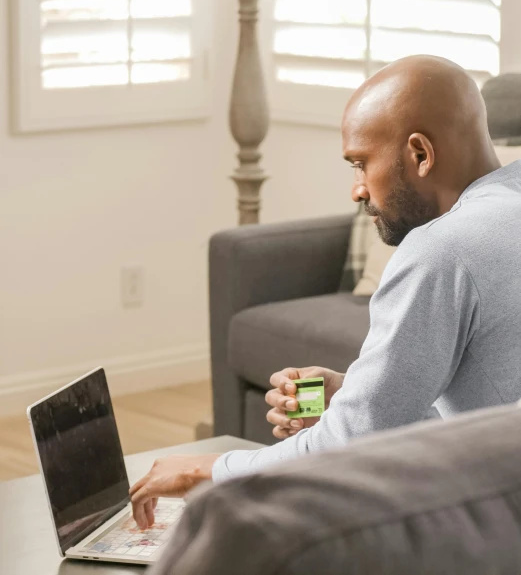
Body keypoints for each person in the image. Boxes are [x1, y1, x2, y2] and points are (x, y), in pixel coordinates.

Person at [130, 55, 521, 530]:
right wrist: (356, 393)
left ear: (420, 153)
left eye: (361, 164)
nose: (357, 190)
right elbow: (495, 420)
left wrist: (203, 469)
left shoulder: (442, 249)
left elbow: (344, 446)